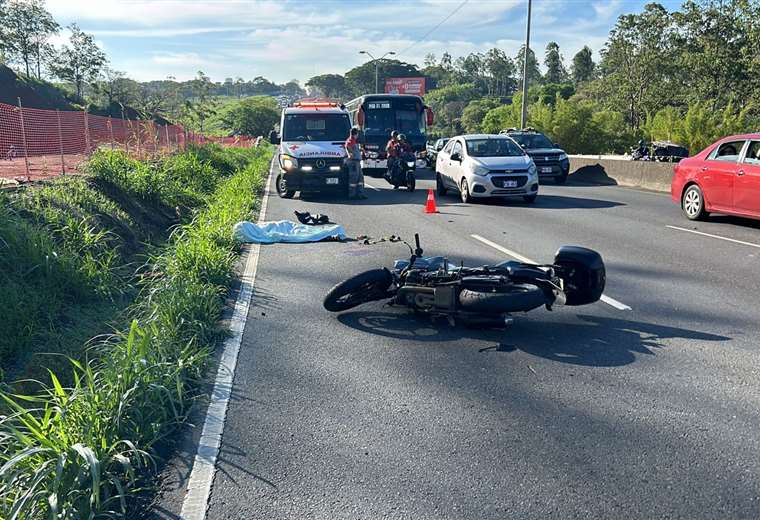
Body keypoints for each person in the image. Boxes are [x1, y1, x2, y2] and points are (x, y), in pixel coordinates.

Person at [344, 127, 366, 199]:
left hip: (357, 162)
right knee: (353, 179)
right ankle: (352, 195)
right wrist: (350, 153)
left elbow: (354, 148)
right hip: (353, 162)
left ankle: (360, 194)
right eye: (357, 134)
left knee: (360, 179)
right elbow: (348, 147)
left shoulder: (354, 141)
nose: (358, 135)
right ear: (354, 134)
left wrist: (360, 149)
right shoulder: (350, 140)